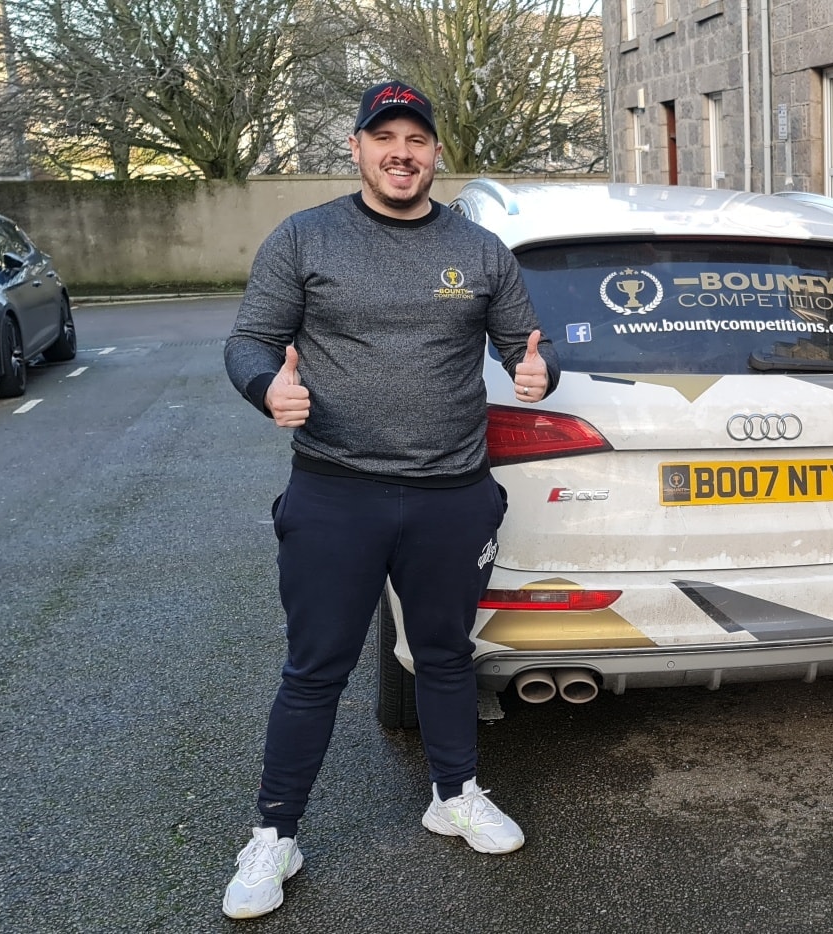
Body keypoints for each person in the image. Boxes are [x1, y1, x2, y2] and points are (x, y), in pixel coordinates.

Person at [219, 80, 561, 919]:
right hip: (336, 491)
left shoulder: (479, 250)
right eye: (385, 138)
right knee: (315, 668)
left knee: (445, 655)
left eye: (415, 139)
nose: (400, 153)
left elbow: (525, 341)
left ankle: (455, 794)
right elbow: (251, 339)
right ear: (357, 147)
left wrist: (537, 370)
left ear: (436, 152)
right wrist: (267, 388)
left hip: (451, 494)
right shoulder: (305, 237)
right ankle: (275, 835)